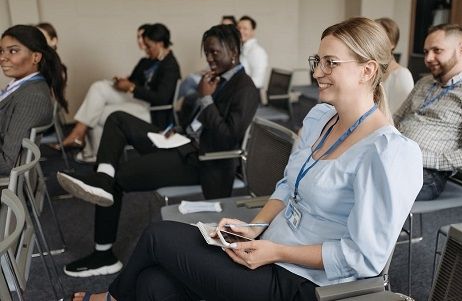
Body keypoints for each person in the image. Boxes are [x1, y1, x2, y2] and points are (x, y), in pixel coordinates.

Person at [70, 17, 423, 301]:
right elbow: (288, 186)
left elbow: (363, 258)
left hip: (302, 282)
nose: (317, 72)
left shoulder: (389, 153)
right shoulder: (320, 119)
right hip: (267, 249)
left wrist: (276, 252)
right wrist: (254, 226)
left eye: (331, 63)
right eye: (318, 61)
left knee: (157, 237)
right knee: (151, 285)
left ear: (367, 71)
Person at [57, 24, 260, 278]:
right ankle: (103, 176)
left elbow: (227, 138)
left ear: (234, 50)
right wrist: (195, 99)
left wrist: (206, 99)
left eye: (214, 52)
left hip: (202, 161)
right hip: (181, 141)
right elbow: (191, 120)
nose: (209, 58)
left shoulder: (245, 88)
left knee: (118, 180)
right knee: (119, 118)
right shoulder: (215, 79)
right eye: (206, 53)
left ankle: (103, 254)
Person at [394, 23, 462, 201]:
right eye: (426, 51)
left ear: (461, 49)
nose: (428, 58)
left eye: (437, 50)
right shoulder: (425, 82)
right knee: (344, 170)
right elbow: (396, 118)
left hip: (426, 172)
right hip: (394, 156)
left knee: (362, 185)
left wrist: (428, 159)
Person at [55, 23, 180, 162]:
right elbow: (134, 80)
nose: (146, 49)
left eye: (149, 46)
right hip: (137, 100)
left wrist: (132, 88)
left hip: (153, 110)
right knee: (99, 87)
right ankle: (79, 136)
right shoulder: (146, 61)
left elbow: (162, 98)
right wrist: (123, 82)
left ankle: (92, 151)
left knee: (99, 112)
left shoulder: (170, 66)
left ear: (160, 44)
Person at [0, 25, 67, 175]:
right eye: (1, 51)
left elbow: (6, 163)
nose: (2, 58)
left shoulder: (32, 97)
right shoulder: (21, 87)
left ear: (35, 57)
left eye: (13, 51)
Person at [375, 17, 414, 113]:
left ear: (392, 43)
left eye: (378, 38)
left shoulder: (402, 75)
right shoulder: (367, 70)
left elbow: (401, 115)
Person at [238, 15, 268, 89]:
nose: (241, 31)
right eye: (239, 28)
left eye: (245, 28)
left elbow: (258, 81)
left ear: (253, 31)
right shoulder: (242, 49)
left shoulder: (257, 51)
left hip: (250, 95)